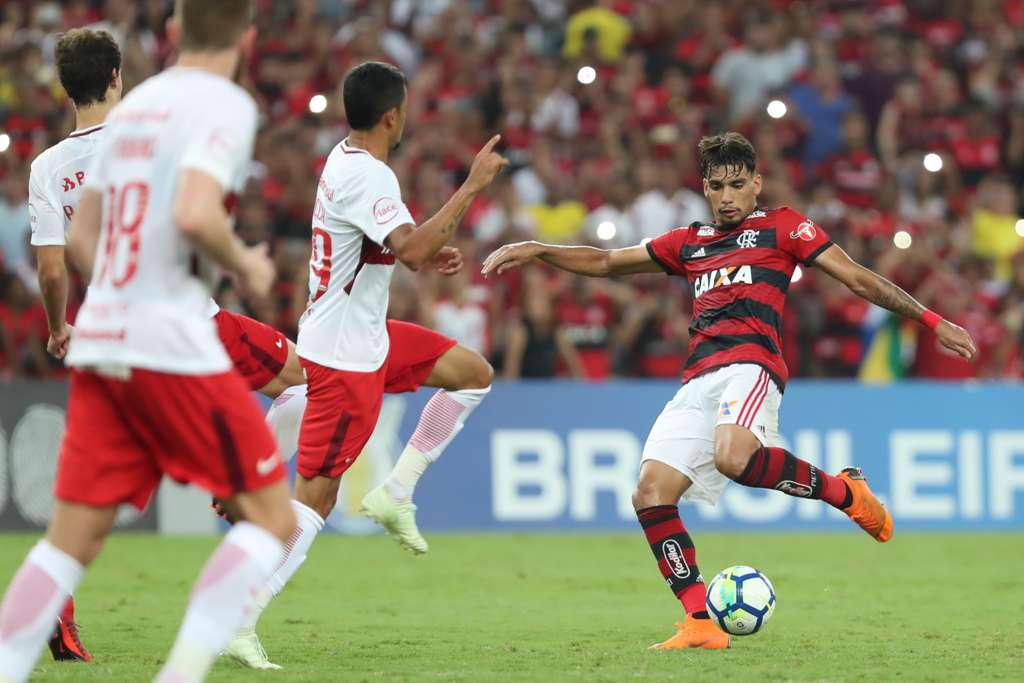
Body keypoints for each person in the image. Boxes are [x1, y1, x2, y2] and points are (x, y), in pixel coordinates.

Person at [482, 132, 976, 650]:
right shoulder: (688, 242)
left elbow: (855, 277)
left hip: (753, 364)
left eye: (737, 184)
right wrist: (539, 249)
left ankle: (845, 493)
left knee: (733, 456)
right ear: (705, 188)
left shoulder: (784, 227)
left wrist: (930, 319)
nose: (727, 196)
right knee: (650, 494)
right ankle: (699, 622)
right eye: (717, 186)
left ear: (756, 184)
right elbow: (607, 262)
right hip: (697, 378)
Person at [0, 3, 299, 682]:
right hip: (170, 334)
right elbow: (195, 212)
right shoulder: (217, 106)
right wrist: (247, 263)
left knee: (67, 543)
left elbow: (74, 246)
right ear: (248, 39)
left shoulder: (128, 117)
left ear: (170, 36)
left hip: (101, 332)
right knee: (273, 520)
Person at [230, 60, 507, 668]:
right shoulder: (372, 178)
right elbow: (407, 247)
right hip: (344, 363)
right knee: (315, 500)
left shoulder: (344, 158)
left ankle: (395, 492)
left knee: (472, 373)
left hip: (367, 339)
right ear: (392, 115)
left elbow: (387, 247)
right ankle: (241, 615)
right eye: (405, 108)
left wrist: (418, 253)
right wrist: (472, 186)